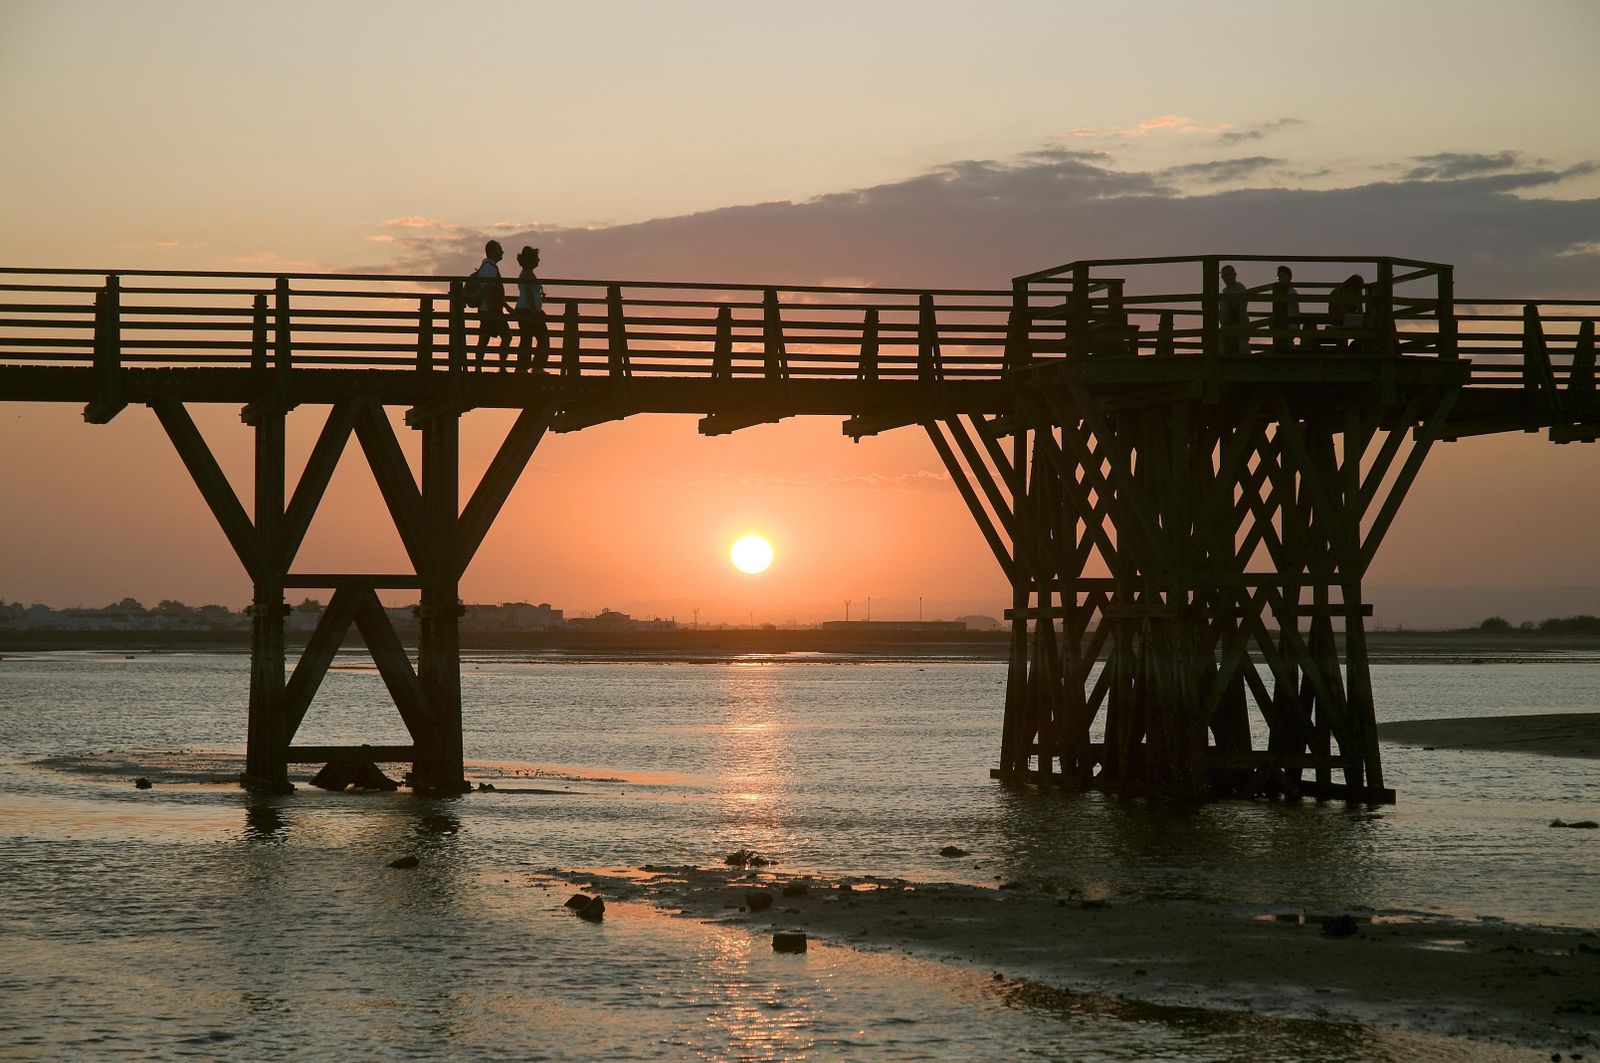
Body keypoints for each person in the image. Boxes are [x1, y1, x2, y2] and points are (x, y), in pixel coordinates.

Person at [473, 239, 512, 370]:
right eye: (500, 249)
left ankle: (478, 368)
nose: (502, 252)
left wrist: (505, 307)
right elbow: (489, 288)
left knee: (484, 338)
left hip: (488, 309)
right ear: (493, 251)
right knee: (506, 336)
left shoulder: (486, 267)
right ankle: (501, 367)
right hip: (492, 310)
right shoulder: (490, 268)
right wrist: (491, 308)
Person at [514, 246, 550, 372]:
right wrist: (534, 309)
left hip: (525, 309)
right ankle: (537, 366)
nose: (539, 260)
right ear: (531, 260)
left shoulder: (527, 273)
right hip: (529, 310)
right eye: (536, 257)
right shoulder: (528, 274)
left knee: (526, 338)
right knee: (543, 338)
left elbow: (530, 291)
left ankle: (522, 368)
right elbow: (529, 291)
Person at [1326, 274, 1366, 351]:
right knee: (1342, 332)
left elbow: (1360, 309)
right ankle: (1344, 351)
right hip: (1337, 321)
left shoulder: (1356, 292)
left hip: (1348, 320)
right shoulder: (1338, 292)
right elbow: (1336, 312)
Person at [1219, 264, 1249, 354]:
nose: (1226, 278)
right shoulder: (1225, 290)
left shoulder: (1240, 288)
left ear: (1234, 275)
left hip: (1239, 322)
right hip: (1227, 324)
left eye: (1228, 275)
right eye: (1224, 275)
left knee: (1241, 348)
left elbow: (1238, 305)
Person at [1270, 265, 1302, 352]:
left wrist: (1296, 325)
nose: (1280, 279)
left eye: (1283, 276)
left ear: (1288, 278)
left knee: (1287, 346)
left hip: (1288, 323)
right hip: (1280, 323)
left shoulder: (1291, 292)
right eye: (1279, 277)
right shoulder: (1277, 292)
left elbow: (1295, 310)